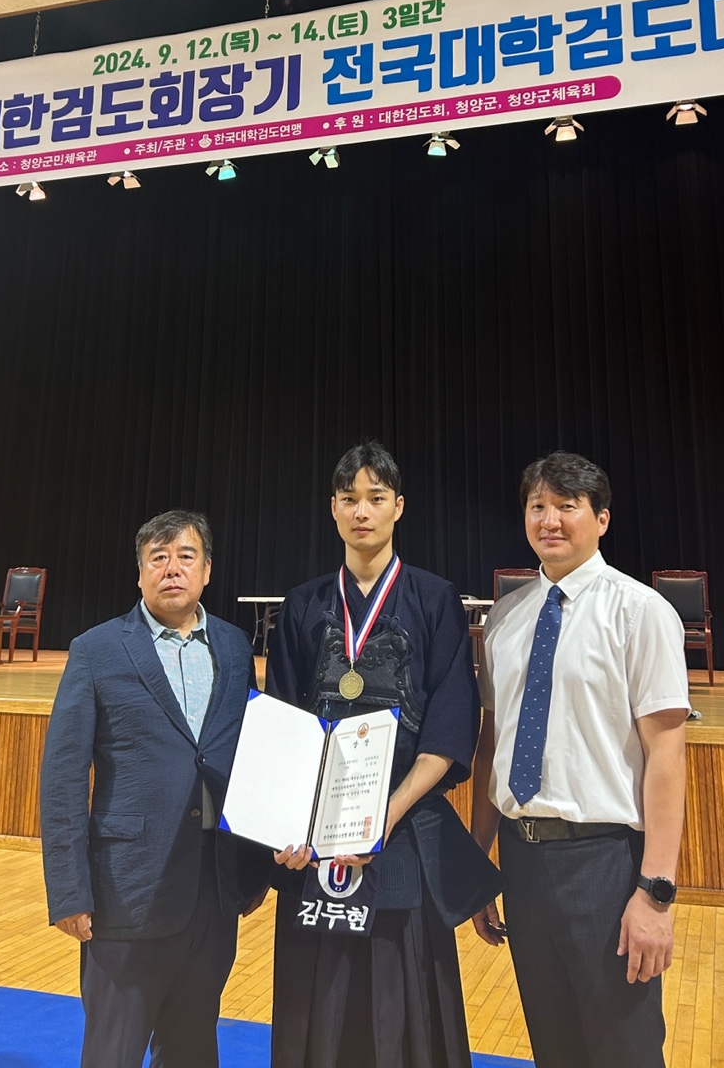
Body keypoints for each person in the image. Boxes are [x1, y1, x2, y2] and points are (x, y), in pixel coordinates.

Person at [264, 440, 501, 1068]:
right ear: (333, 509)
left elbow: (450, 726)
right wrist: (293, 822)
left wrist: (381, 817)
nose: (361, 511)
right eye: (349, 499)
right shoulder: (303, 606)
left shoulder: (434, 599)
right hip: (316, 842)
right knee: (317, 1003)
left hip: (403, 832)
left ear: (399, 506)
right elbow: (282, 728)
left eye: (375, 498)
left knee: (405, 1008)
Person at [470, 451, 690, 1068]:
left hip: (604, 864)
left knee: (624, 1050)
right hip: (521, 862)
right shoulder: (504, 618)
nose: (550, 520)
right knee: (554, 1047)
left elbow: (667, 755)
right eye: (537, 506)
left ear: (601, 518)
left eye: (567, 506)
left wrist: (655, 893)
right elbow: (492, 746)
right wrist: (478, 863)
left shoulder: (640, 611)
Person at [40, 509, 268, 1068]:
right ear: (139, 573)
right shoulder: (96, 649)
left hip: (214, 889)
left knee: (193, 1048)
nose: (172, 569)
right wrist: (69, 890)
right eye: (157, 558)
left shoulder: (235, 647)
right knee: (113, 1052)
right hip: (127, 893)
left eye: (186, 556)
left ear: (207, 570)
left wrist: (254, 865)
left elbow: (252, 760)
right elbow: (63, 776)